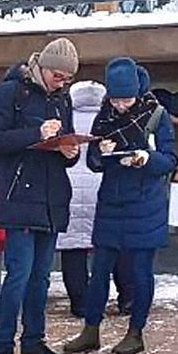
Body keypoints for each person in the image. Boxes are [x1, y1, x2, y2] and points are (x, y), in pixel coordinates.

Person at [64, 57, 177, 354]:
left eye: (126, 99)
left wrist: (145, 158)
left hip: (145, 206)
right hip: (111, 203)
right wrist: (101, 153)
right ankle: (91, 330)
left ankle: (135, 332)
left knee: (140, 272)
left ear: (137, 93)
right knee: (99, 269)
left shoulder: (157, 114)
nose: (121, 106)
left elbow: (169, 161)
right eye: (116, 99)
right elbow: (92, 163)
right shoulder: (104, 115)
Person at [0, 38, 81, 354]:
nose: (62, 81)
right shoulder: (11, 92)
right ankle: (3, 348)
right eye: (58, 75)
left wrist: (71, 152)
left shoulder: (61, 99)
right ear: (42, 66)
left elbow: (63, 141)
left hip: (51, 197)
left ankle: (34, 340)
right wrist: (34, 133)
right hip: (18, 195)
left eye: (68, 78)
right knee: (19, 275)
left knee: (41, 277)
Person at [56, 80, 106, 320]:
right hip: (101, 186)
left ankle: (79, 302)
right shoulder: (108, 117)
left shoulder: (65, 117)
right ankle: (115, 297)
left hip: (69, 188)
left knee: (73, 247)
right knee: (106, 246)